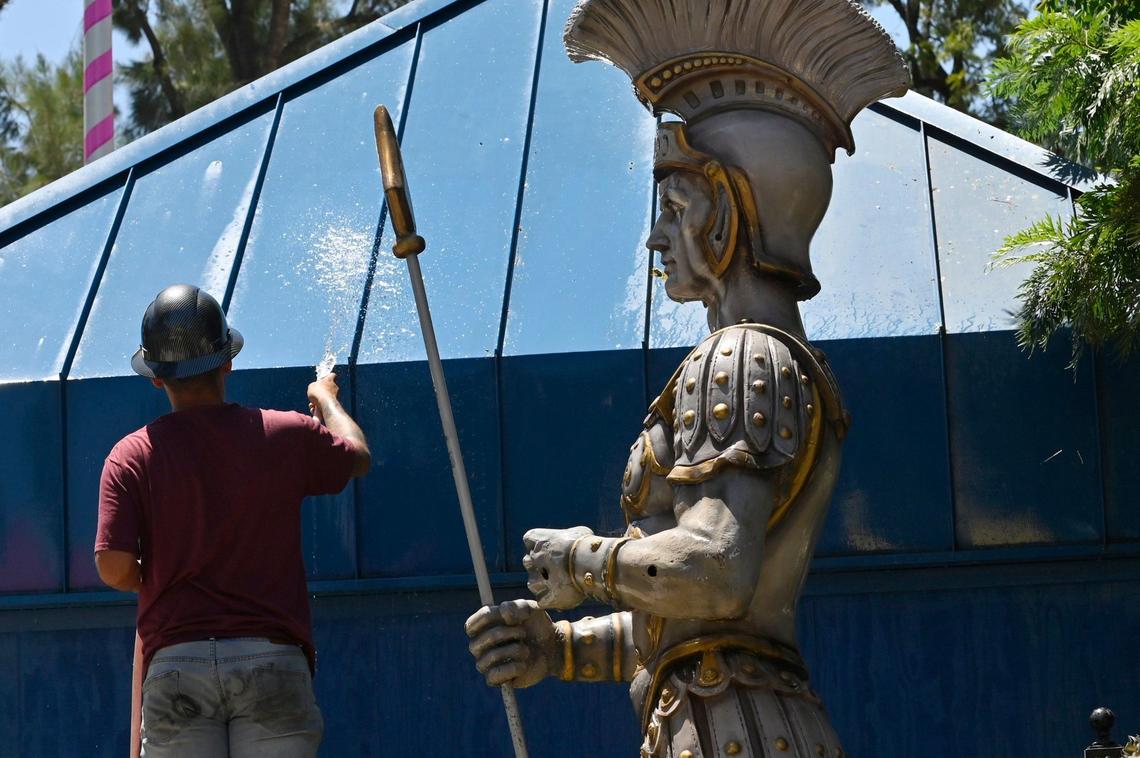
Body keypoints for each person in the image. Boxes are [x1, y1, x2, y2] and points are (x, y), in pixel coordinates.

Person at [464, 1, 909, 755]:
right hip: (723, 714)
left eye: (675, 207)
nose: (656, 236)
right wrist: (559, 647)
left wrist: (581, 559)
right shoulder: (778, 359)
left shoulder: (739, 356)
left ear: (729, 215)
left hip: (729, 728)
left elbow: (716, 571)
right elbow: (690, 626)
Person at [94, 283, 370, 757]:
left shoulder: (131, 455)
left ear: (156, 378)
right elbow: (357, 457)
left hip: (176, 665)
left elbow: (114, 567)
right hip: (274, 660)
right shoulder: (286, 433)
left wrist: (158, 575)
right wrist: (325, 401)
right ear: (227, 361)